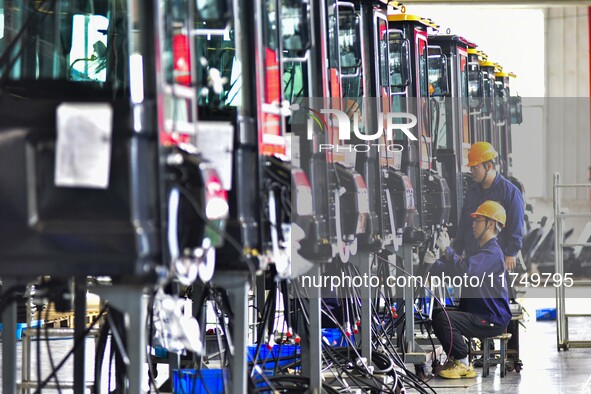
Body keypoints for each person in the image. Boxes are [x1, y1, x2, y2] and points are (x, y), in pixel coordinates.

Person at [425, 200, 512, 379]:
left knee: (444, 319)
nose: (473, 224)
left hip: (491, 318)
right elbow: (457, 272)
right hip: (478, 313)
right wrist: (434, 264)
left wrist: (447, 249)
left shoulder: (492, 253)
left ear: (490, 224)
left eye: (478, 220)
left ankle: (463, 362)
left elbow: (466, 270)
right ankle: (455, 358)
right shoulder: (482, 250)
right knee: (437, 313)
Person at [454, 142, 524, 271]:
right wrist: (457, 250)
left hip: (497, 260)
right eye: (471, 168)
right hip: (473, 258)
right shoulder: (472, 191)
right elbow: (464, 224)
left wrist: (511, 253)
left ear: (489, 166)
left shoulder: (510, 192)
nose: (471, 171)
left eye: (475, 167)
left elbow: (516, 224)